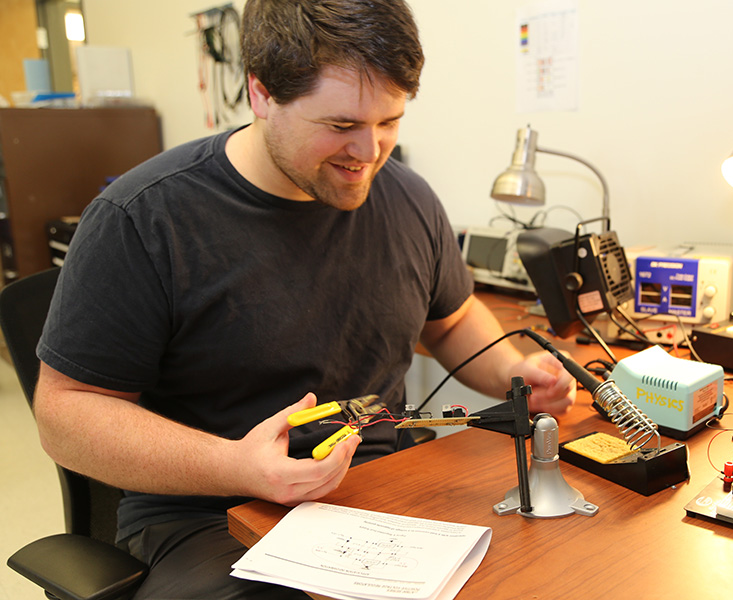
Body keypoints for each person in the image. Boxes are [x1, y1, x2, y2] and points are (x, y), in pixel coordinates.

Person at [32, 0, 576, 597]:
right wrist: (236, 465)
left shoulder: (409, 199)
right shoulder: (145, 217)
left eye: (390, 121)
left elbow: (448, 320)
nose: (369, 153)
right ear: (262, 95)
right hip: (211, 513)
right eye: (341, 126)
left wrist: (513, 372)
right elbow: (66, 414)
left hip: (381, 485)